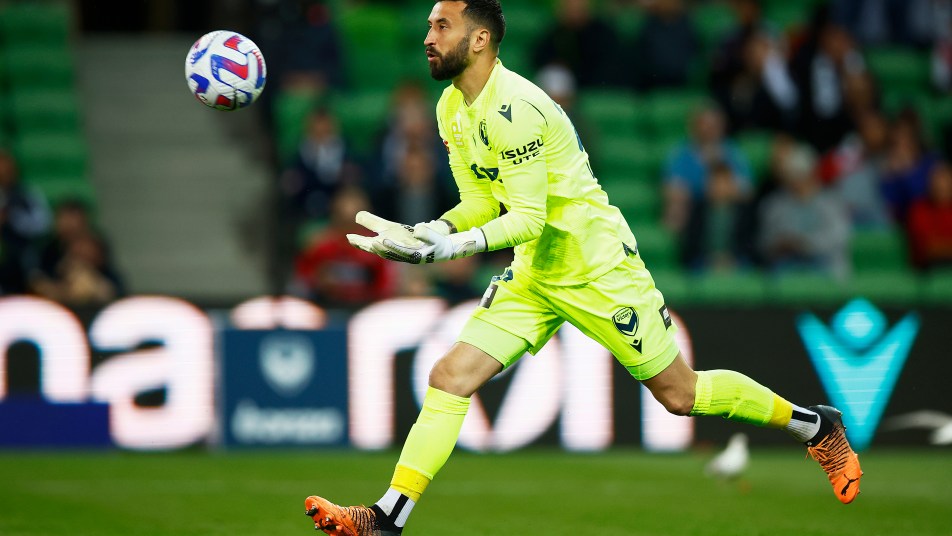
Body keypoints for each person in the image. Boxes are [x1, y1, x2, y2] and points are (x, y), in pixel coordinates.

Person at [303, 2, 864, 534]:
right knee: (449, 377)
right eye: (429, 25)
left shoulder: (516, 109)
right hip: (536, 272)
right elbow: (481, 201)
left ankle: (815, 425)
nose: (428, 37)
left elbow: (527, 217)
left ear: (479, 39)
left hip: (597, 267)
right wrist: (437, 229)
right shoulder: (451, 107)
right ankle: (387, 518)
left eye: (442, 26)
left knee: (680, 394)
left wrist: (450, 250)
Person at [758, 144, 851, 278]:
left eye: (800, 173)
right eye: (791, 175)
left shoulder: (831, 202)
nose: (796, 180)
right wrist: (780, 244)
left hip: (825, 264)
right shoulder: (774, 204)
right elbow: (764, 242)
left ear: (811, 173)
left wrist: (804, 244)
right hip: (787, 265)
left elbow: (839, 238)